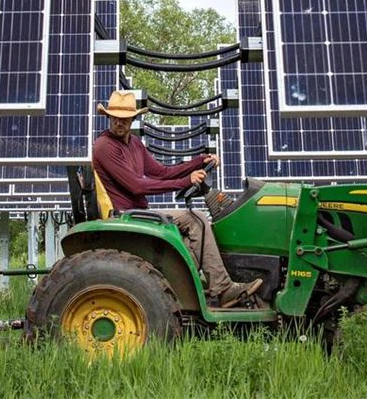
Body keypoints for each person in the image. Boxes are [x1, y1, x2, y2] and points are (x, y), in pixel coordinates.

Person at [92, 90, 262, 308]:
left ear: (133, 119)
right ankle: (221, 288)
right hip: (124, 215)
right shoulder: (105, 147)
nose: (118, 122)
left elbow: (162, 172)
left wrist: (199, 161)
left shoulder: (134, 144)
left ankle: (205, 286)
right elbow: (136, 186)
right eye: (114, 117)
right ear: (108, 117)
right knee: (197, 219)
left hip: (139, 212)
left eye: (124, 118)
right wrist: (185, 182)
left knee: (195, 223)